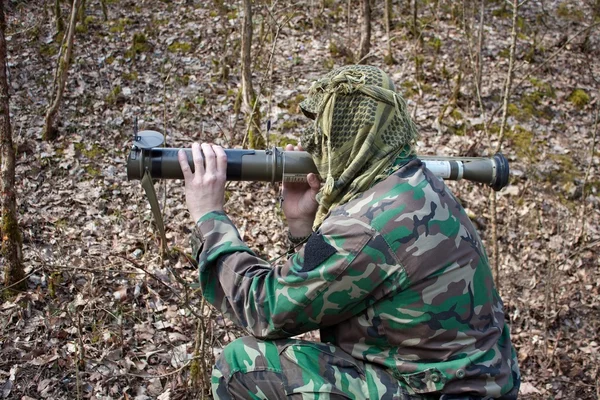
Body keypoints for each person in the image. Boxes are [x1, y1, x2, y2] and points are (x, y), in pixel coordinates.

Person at [177, 65, 520, 399]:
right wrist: (301, 224)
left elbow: (264, 309)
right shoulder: (418, 184)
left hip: (438, 390)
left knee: (241, 365)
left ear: (350, 137)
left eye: (326, 134)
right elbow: (322, 291)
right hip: (470, 383)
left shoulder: (367, 223)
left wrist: (210, 217)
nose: (315, 146)